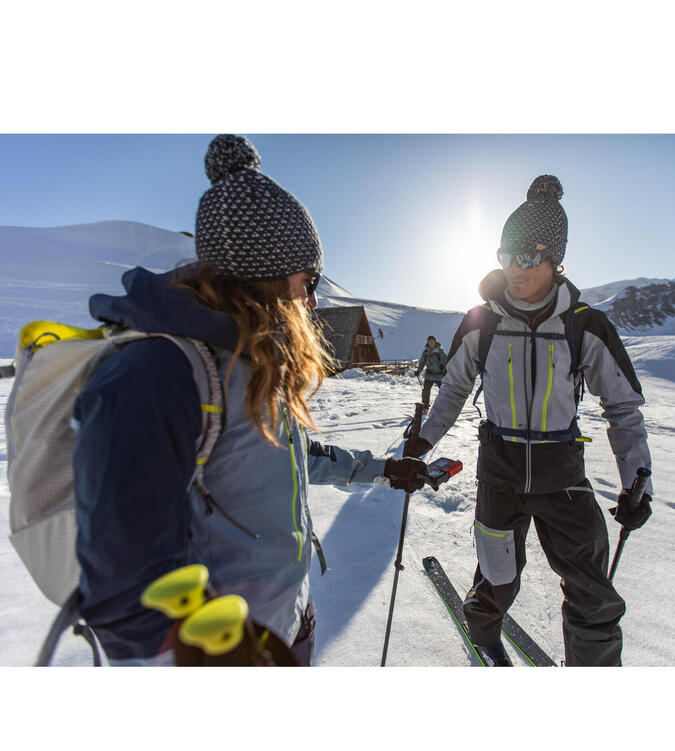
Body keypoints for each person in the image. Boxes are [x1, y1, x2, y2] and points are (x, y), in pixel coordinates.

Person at [72, 135, 427, 666]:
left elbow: (289, 459)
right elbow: (120, 582)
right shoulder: (159, 374)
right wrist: (223, 653)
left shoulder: (251, 362)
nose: (312, 299)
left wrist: (381, 469)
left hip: (287, 621)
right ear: (264, 273)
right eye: (307, 280)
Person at [404, 175, 653, 666]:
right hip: (500, 472)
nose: (513, 268)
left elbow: (622, 408)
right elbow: (453, 388)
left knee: (594, 594)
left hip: (563, 474)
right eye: (505, 255)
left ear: (554, 259)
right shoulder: (483, 320)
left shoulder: (585, 325)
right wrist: (422, 442)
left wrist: (636, 480)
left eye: (527, 257)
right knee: (497, 577)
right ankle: (484, 633)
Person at [415, 335, 447, 412]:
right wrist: (418, 371)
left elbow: (446, 361)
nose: (431, 343)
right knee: (425, 392)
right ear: (428, 342)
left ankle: (446, 406)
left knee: (443, 391)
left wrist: (444, 368)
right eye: (430, 342)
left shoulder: (440, 351)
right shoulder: (426, 352)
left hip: (439, 375)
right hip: (429, 375)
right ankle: (425, 407)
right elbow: (422, 363)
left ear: (435, 342)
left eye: (432, 341)